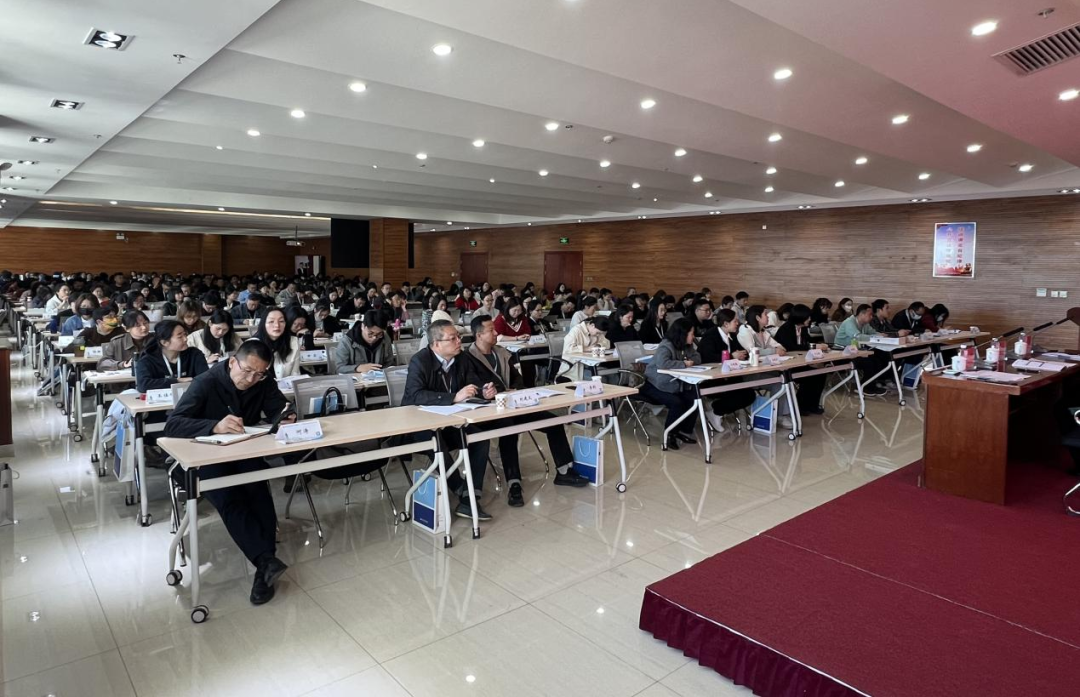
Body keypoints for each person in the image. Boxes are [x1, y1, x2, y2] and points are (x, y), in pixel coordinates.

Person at [164, 340, 292, 605]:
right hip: (203, 458)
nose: (251, 379)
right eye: (247, 371)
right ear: (233, 362)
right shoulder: (206, 382)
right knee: (229, 496)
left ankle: (265, 565)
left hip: (242, 452)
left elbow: (278, 410)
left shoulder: (263, 381)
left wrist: (284, 418)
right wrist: (214, 426)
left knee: (258, 489)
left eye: (259, 374)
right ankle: (265, 560)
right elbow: (173, 424)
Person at [467, 316, 588, 506]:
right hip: (489, 411)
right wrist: (499, 391)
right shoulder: (468, 358)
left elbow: (518, 379)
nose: (496, 333)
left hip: (514, 405)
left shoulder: (501, 352)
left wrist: (514, 389)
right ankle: (514, 483)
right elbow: (474, 385)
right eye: (491, 330)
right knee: (509, 430)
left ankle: (565, 470)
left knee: (554, 422)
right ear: (479, 335)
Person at [402, 320, 495, 520]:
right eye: (452, 338)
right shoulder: (420, 361)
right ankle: (461, 489)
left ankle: (471, 496)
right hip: (420, 424)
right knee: (437, 442)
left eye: (458, 337)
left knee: (479, 438)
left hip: (450, 421)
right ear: (436, 344)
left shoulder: (461, 358)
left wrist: (484, 391)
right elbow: (415, 395)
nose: (459, 341)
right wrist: (453, 397)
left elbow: (473, 382)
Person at [643, 318, 701, 450]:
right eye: (691, 333)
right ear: (683, 334)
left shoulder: (687, 345)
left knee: (694, 399)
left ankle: (683, 431)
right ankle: (669, 435)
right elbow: (663, 363)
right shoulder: (666, 345)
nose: (693, 337)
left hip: (675, 384)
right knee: (677, 403)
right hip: (655, 384)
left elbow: (697, 357)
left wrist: (690, 362)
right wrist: (683, 364)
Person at [698, 308, 754, 432]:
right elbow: (707, 357)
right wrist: (731, 356)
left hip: (730, 376)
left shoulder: (732, 335)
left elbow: (741, 352)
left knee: (749, 394)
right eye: (735, 321)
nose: (737, 323)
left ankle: (716, 409)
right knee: (742, 394)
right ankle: (716, 411)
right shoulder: (711, 335)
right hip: (712, 378)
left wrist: (742, 355)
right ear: (726, 323)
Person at [774, 304, 830, 415]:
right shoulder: (785, 329)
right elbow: (791, 347)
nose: (810, 319)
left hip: (801, 362)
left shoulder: (803, 329)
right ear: (800, 317)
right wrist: (814, 346)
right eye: (807, 317)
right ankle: (801, 406)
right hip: (787, 365)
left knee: (821, 373)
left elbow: (808, 342)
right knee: (808, 376)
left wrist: (819, 345)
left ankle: (812, 405)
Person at [135, 320, 208, 392]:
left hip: (190, 397)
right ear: (164, 342)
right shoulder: (147, 360)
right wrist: (177, 381)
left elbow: (206, 380)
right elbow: (143, 385)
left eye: (185, 334)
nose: (185, 339)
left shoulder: (194, 354)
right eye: (180, 337)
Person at [834, 304, 888, 396]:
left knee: (879, 358)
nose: (872, 317)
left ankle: (870, 384)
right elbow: (858, 337)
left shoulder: (865, 324)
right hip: (842, 354)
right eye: (870, 315)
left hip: (856, 352)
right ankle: (865, 387)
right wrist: (876, 337)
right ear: (862, 314)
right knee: (869, 362)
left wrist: (881, 335)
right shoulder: (849, 322)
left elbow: (873, 333)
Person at [335, 310, 393, 375]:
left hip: (380, 378)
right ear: (363, 326)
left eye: (379, 334)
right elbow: (339, 368)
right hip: (355, 380)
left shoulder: (385, 338)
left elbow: (389, 362)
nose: (374, 338)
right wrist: (357, 368)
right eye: (370, 333)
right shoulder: (346, 342)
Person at [253, 307, 302, 378]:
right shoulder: (253, 344)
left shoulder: (293, 342)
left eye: (281, 321)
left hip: (286, 385)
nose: (277, 325)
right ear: (263, 324)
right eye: (271, 321)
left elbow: (295, 374)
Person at [562, 316, 611, 381]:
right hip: (575, 366)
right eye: (598, 333)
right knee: (602, 379)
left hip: (590, 364)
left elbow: (607, 343)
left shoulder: (597, 332)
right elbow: (568, 349)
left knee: (613, 376)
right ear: (592, 325)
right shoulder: (576, 330)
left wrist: (598, 345)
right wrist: (587, 348)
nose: (598, 335)